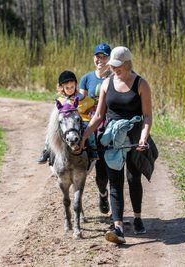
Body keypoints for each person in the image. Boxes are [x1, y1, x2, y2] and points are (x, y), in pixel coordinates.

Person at [80, 46, 154, 244]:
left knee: (133, 178)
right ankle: (118, 227)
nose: (115, 69)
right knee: (115, 182)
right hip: (112, 139)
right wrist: (85, 136)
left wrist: (143, 138)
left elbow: (147, 116)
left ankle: (137, 218)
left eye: (118, 65)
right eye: (113, 66)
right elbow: (98, 115)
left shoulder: (141, 84)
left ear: (128, 63)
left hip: (134, 138)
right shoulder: (106, 84)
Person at [37, 70, 98, 163]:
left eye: (72, 87)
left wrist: (92, 108)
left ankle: (93, 149)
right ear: (62, 88)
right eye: (67, 87)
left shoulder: (82, 98)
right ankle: (46, 151)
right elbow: (56, 114)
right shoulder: (61, 100)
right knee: (51, 133)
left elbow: (93, 104)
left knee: (89, 130)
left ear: (76, 86)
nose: (70, 89)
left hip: (80, 120)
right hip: (65, 123)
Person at [79, 43, 112, 215]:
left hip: (108, 123)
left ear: (110, 58)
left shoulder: (115, 77)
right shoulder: (86, 78)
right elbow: (81, 101)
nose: (100, 60)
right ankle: (102, 193)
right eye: (97, 56)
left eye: (104, 56)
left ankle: (107, 195)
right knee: (99, 172)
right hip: (92, 123)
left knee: (106, 170)